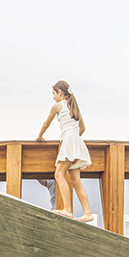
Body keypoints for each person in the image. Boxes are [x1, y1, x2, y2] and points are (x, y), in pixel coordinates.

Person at [36, 80, 94, 222]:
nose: (53, 97)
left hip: (68, 140)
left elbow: (46, 123)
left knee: (59, 174)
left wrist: (39, 136)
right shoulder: (74, 107)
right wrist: (74, 140)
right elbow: (83, 129)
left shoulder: (57, 106)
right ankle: (88, 213)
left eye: (54, 93)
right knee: (75, 180)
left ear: (60, 92)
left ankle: (67, 209)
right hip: (77, 142)